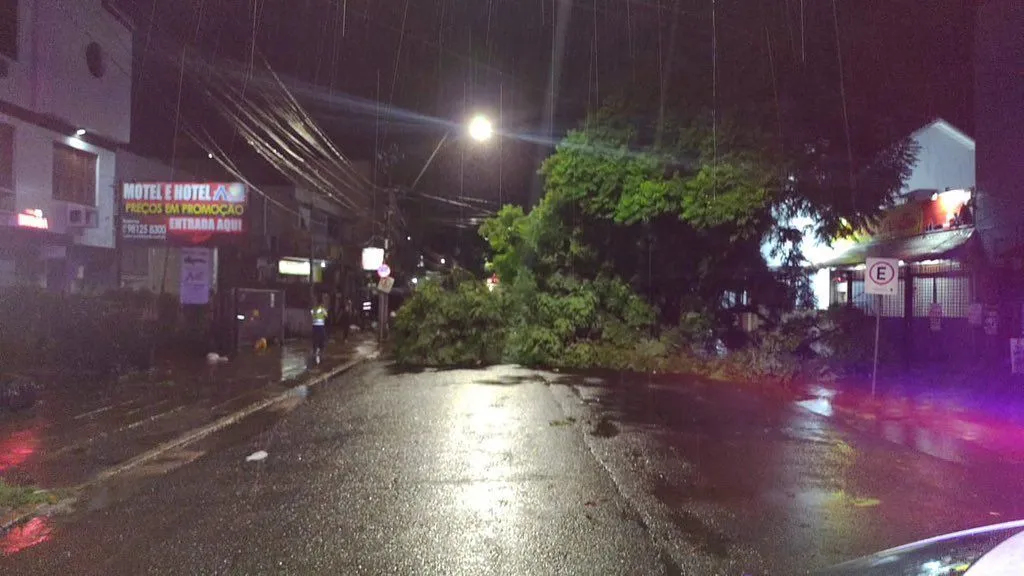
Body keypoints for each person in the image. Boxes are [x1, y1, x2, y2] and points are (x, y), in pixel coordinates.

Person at [310, 296, 328, 365]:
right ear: (321, 304)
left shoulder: (313, 309)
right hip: (320, 327)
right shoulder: (323, 310)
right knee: (322, 340)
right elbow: (326, 316)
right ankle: (320, 354)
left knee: (315, 340)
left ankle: (314, 353)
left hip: (315, 327)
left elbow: (312, 316)